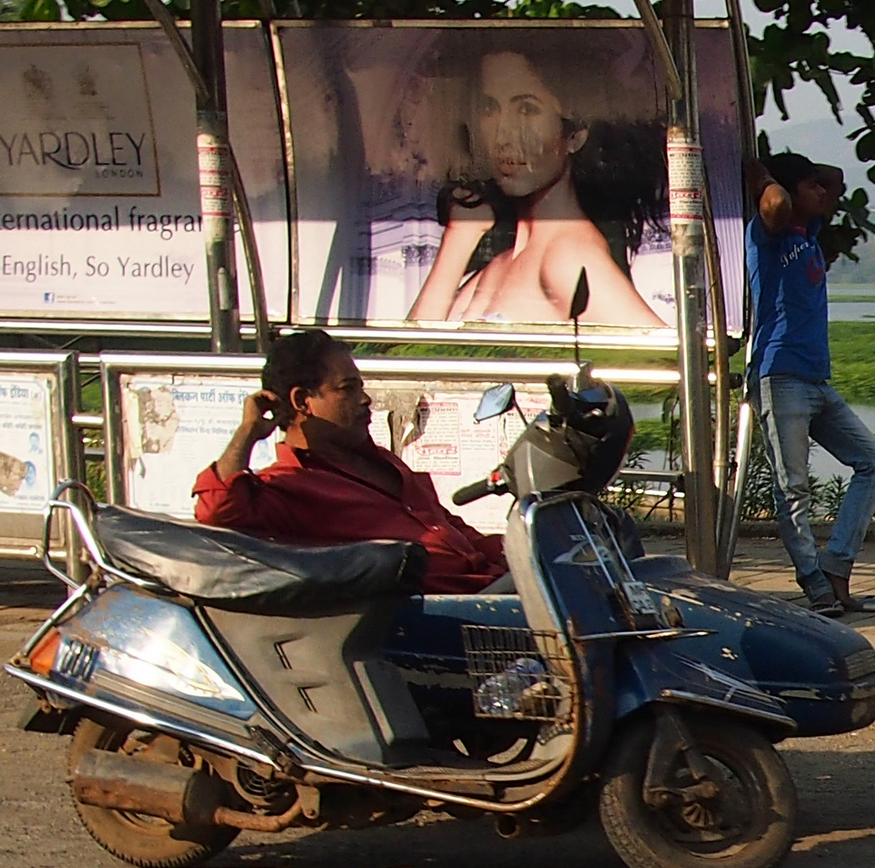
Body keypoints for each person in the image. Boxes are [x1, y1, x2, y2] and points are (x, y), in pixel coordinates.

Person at [193, 330, 508, 595]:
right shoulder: (289, 486)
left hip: (493, 587)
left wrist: (517, 550)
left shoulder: (380, 461)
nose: (364, 399)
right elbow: (217, 507)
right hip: (434, 617)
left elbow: (446, 525)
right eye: (347, 389)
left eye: (361, 386)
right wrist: (247, 432)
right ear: (303, 401)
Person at [405, 43, 666, 328]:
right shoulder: (508, 258)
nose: (503, 135)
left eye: (527, 110)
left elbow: (666, 360)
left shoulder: (568, 255)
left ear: (575, 135)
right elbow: (412, 352)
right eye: (489, 108)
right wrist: (460, 237)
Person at [745, 152, 875, 617]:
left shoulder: (808, 232)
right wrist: (763, 173)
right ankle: (815, 585)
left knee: (873, 462)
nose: (823, 193)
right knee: (793, 488)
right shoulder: (766, 233)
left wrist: (803, 181)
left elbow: (835, 178)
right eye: (809, 187)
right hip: (779, 373)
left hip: (815, 379)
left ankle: (836, 568)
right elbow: (772, 205)